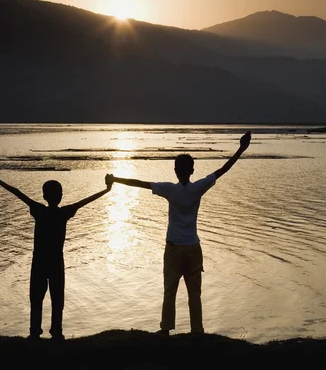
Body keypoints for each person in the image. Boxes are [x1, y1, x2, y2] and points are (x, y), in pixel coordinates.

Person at [106, 131, 251, 335]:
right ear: (192, 170)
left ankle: (166, 329)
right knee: (194, 293)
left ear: (175, 171)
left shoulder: (169, 189)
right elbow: (222, 170)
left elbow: (140, 183)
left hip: (174, 248)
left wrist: (115, 178)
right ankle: (197, 330)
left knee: (170, 291)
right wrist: (241, 149)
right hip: (193, 247)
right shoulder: (198, 187)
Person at [0, 165, 113, 340]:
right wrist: (107, 190)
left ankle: (35, 332)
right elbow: (86, 200)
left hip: (40, 261)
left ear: (44, 196)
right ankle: (56, 332)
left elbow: (18, 193)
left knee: (36, 297)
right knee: (57, 299)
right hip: (56, 262)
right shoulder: (64, 212)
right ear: (60, 196)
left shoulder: (39, 210)